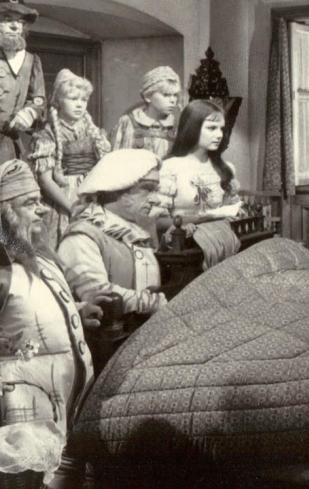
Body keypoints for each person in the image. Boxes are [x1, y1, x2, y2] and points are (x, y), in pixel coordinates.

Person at [0, 159, 103, 487]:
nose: (42, 209)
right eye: (30, 203)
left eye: (40, 200)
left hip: (67, 404)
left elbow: (36, 308)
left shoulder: (42, 258)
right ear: (4, 213)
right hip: (23, 417)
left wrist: (78, 311)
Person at [58, 149, 165, 320]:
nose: (156, 199)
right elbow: (99, 295)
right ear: (115, 189)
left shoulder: (137, 231)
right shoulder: (82, 237)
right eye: (147, 189)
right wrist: (155, 304)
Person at [30, 69, 111, 249]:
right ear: (58, 100)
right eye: (73, 99)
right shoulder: (47, 134)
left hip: (91, 195)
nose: (79, 105)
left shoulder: (92, 131)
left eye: (83, 100)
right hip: (63, 199)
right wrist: (72, 207)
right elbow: (45, 181)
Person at [154, 99, 243, 230]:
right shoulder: (169, 168)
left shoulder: (225, 168)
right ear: (192, 128)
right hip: (183, 239)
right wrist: (185, 224)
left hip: (218, 237)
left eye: (221, 129)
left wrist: (235, 215)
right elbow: (157, 221)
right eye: (212, 128)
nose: (219, 135)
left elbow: (232, 209)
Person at [0, 0, 45, 164]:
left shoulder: (31, 61)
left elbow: (39, 100)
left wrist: (30, 112)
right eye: (7, 19)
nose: (15, 26)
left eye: (20, 22)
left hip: (10, 146)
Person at [110, 66, 180, 159]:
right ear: (148, 96)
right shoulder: (127, 122)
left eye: (175, 95)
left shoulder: (178, 126)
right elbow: (115, 159)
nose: (173, 100)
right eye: (166, 95)